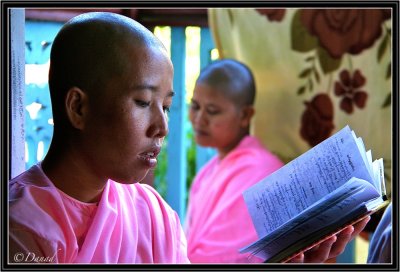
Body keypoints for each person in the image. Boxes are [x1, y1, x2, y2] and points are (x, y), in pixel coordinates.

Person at [9, 12, 189, 263]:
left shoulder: (153, 215)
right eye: (143, 102)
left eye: (166, 107)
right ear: (79, 107)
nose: (162, 127)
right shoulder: (19, 225)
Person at [185, 59, 370, 263]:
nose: (198, 119)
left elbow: (229, 258)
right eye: (195, 106)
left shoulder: (259, 172)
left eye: (212, 111)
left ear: (245, 115)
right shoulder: (207, 172)